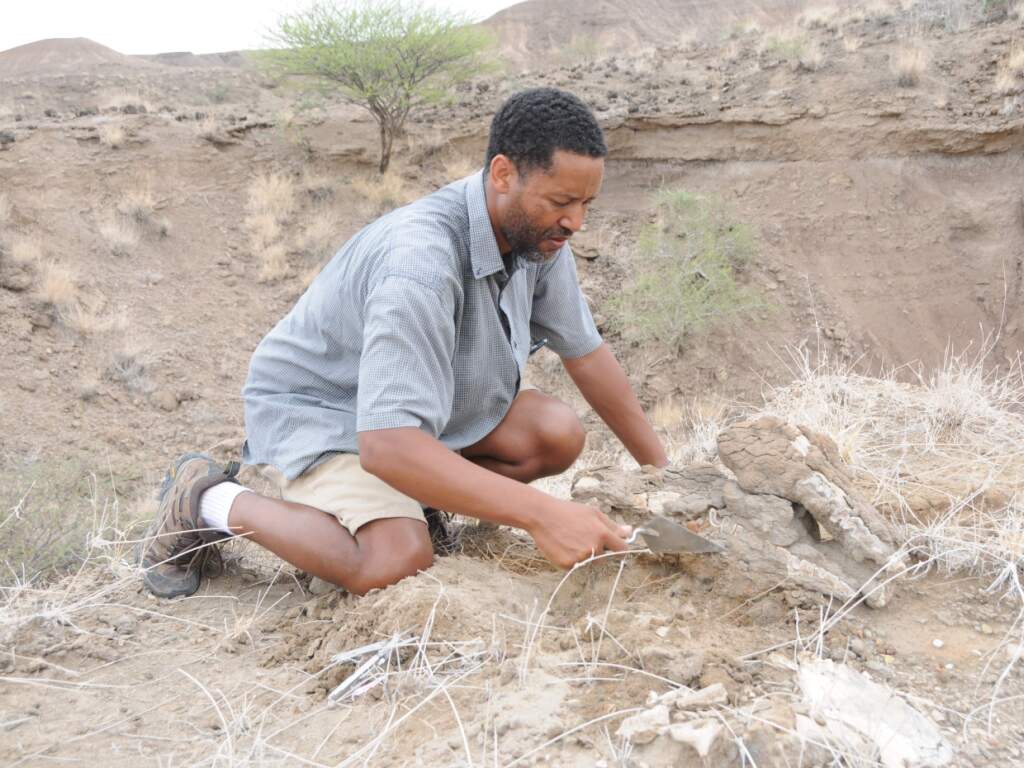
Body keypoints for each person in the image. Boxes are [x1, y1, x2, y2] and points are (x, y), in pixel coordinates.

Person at [138, 87, 669, 599]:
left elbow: (586, 354)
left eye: (586, 203)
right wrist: (541, 514)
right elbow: (386, 444)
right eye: (562, 201)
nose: (576, 222)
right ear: (503, 174)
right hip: (328, 413)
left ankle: (409, 502)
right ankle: (205, 498)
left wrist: (664, 476)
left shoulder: (539, 234)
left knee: (553, 433)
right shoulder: (419, 265)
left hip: (411, 413)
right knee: (393, 560)